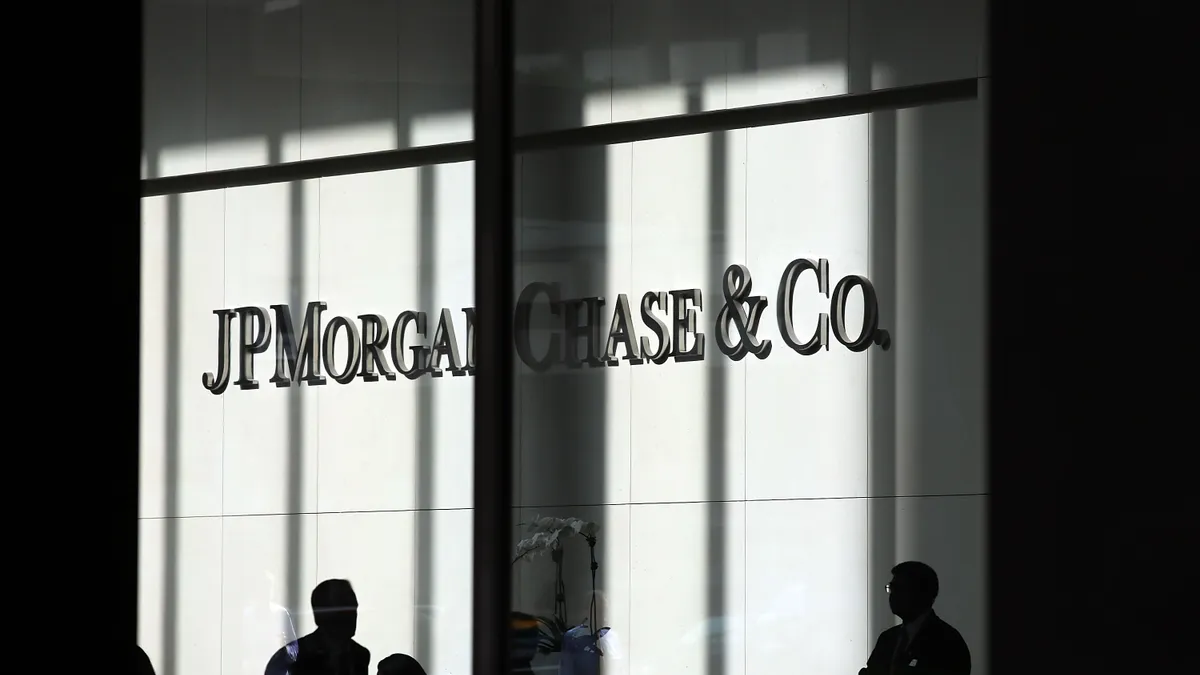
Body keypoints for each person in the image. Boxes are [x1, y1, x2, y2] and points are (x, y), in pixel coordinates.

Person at [860, 561, 971, 675]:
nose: (893, 595)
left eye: (900, 588)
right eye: (892, 588)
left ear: (922, 593)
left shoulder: (948, 642)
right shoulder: (887, 639)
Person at [265, 579, 371, 675]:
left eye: (353, 608)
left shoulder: (360, 656)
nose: (353, 616)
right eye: (343, 610)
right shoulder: (290, 657)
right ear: (320, 615)